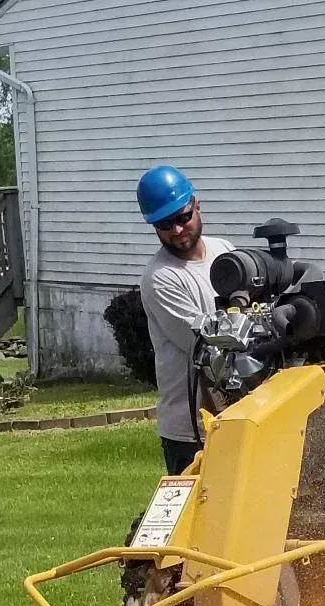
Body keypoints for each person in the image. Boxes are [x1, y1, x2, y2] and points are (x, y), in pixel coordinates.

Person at [137, 165, 233, 475]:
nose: (177, 230)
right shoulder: (160, 278)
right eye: (165, 225)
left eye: (182, 217)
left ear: (197, 205)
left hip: (239, 420)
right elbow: (210, 344)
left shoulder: (226, 253)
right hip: (192, 433)